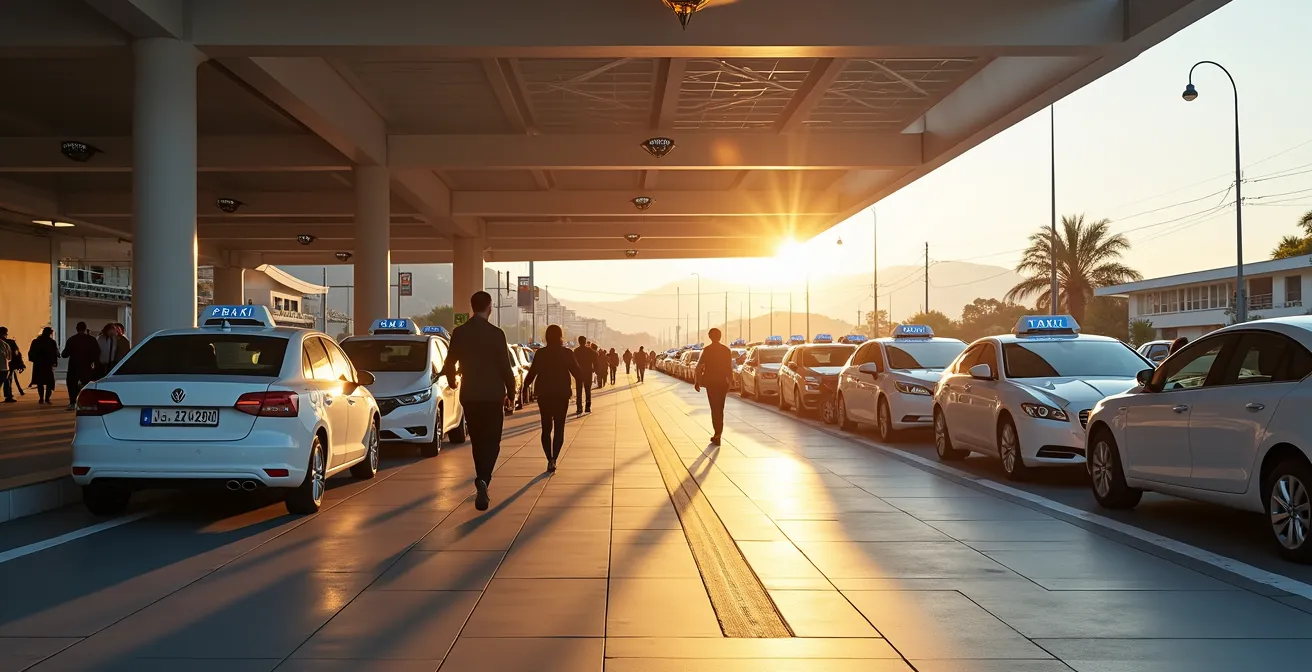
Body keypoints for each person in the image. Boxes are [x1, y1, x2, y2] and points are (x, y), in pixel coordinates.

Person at [440, 291, 518, 511]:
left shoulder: (460, 332)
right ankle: (484, 479)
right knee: (492, 441)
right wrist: (511, 392)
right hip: (493, 395)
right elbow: (505, 366)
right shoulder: (496, 334)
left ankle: (481, 477)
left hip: (470, 395)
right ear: (490, 307)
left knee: (477, 440)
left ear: (472, 307)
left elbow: (450, 362)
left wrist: (453, 381)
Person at [523, 324, 585, 473]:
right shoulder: (567, 353)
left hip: (544, 394)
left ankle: (548, 457)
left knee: (546, 427)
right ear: (560, 336)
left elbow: (532, 373)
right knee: (559, 428)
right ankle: (554, 459)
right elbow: (577, 373)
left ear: (546, 337)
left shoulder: (541, 353)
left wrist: (524, 387)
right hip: (561, 394)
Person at [694, 328, 734, 446]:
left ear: (710, 337)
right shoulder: (726, 350)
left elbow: (699, 366)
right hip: (723, 382)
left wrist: (697, 381)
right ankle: (718, 433)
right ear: (720, 337)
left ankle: (717, 434)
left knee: (714, 408)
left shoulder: (707, 350)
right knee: (720, 408)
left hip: (711, 382)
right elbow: (729, 367)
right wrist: (731, 381)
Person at [62, 322, 100, 410]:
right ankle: (87, 402)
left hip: (73, 366)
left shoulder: (71, 340)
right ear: (85, 328)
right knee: (87, 385)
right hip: (86, 366)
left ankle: (72, 402)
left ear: (76, 328)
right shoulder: (91, 340)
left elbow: (65, 354)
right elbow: (97, 353)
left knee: (72, 384)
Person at [27, 327, 59, 405]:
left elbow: (31, 353)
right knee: (49, 382)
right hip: (48, 365)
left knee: (40, 382)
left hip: (38, 364)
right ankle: (47, 398)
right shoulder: (51, 342)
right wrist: (55, 362)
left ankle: (41, 398)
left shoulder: (36, 341)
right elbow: (55, 353)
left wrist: (34, 359)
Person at [573, 335, 596, 414]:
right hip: (588, 372)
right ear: (585, 341)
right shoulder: (589, 350)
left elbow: (573, 362)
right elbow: (596, 356)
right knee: (587, 390)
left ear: (579, 342)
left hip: (579, 373)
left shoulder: (576, 351)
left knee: (579, 391)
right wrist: (594, 368)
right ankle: (587, 407)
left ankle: (579, 408)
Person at [0, 326, 18, 403]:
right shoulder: (9, 343)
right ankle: (8, 396)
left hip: (5, 365)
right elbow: (13, 354)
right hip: (6, 366)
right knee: (7, 381)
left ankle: (8, 396)